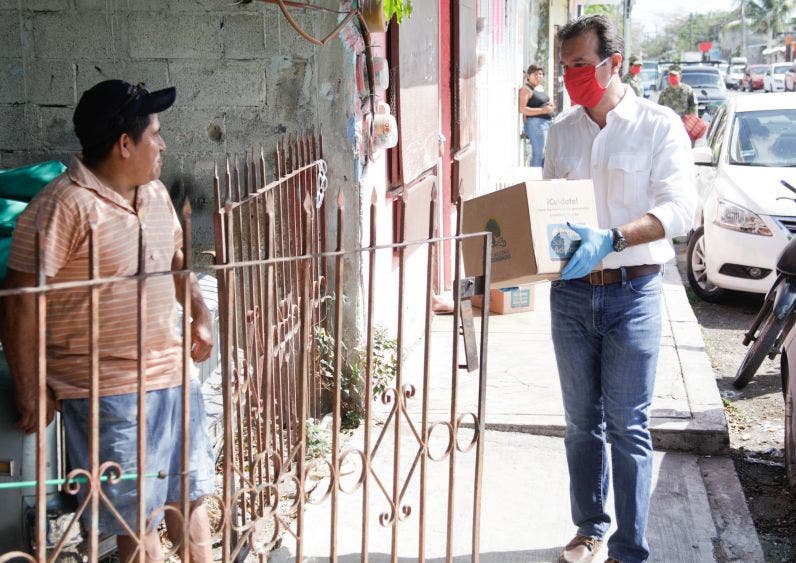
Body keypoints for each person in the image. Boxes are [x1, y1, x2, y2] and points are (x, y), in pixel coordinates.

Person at [0, 80, 216, 561]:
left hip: (174, 377)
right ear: (124, 145)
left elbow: (177, 262)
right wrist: (30, 384)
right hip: (108, 390)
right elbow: (17, 300)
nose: (163, 144)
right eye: (155, 134)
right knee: (136, 522)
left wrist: (200, 313)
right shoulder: (62, 206)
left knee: (191, 500)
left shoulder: (156, 194)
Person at [543, 15, 695, 563]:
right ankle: (590, 528)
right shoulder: (561, 132)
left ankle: (631, 548)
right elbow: (550, 211)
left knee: (628, 426)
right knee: (581, 424)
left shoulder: (657, 126)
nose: (571, 78)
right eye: (565, 68)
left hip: (634, 294)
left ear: (615, 62)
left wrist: (612, 238)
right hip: (573, 296)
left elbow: (681, 208)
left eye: (581, 65)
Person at [518, 64, 555, 167]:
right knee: (539, 154)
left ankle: (542, 178)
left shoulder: (540, 88)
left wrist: (551, 106)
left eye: (540, 74)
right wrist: (542, 110)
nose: (539, 76)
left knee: (545, 154)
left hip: (546, 124)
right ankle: (535, 180)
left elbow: (546, 102)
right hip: (536, 125)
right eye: (535, 74)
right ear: (528, 75)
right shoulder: (526, 89)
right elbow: (522, 108)